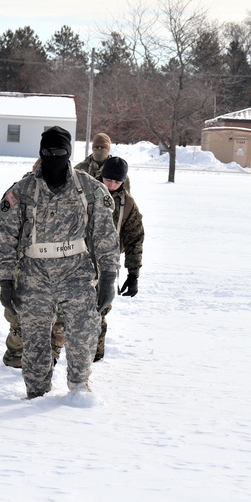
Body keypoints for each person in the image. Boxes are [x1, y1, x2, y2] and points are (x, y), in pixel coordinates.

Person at [0, 126, 119, 399]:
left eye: (60, 152)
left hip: (75, 271)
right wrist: (6, 279)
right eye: (47, 153)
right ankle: (36, 394)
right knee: (35, 338)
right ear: (40, 153)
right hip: (34, 275)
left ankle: (79, 387)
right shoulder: (23, 190)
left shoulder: (88, 189)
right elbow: (6, 238)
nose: (53, 157)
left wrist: (109, 276)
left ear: (69, 154)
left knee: (83, 331)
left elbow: (105, 234)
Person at [0, 186, 64, 368]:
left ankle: (51, 356)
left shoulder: (69, 192)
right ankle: (16, 355)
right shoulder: (19, 192)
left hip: (59, 266)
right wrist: (0, 247)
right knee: (18, 313)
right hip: (24, 264)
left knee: (60, 315)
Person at [95, 155, 144, 361]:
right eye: (108, 180)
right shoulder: (86, 193)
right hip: (77, 261)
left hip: (106, 265)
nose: (112, 185)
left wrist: (133, 274)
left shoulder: (128, 204)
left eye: (117, 181)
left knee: (100, 309)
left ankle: (94, 356)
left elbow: (135, 238)